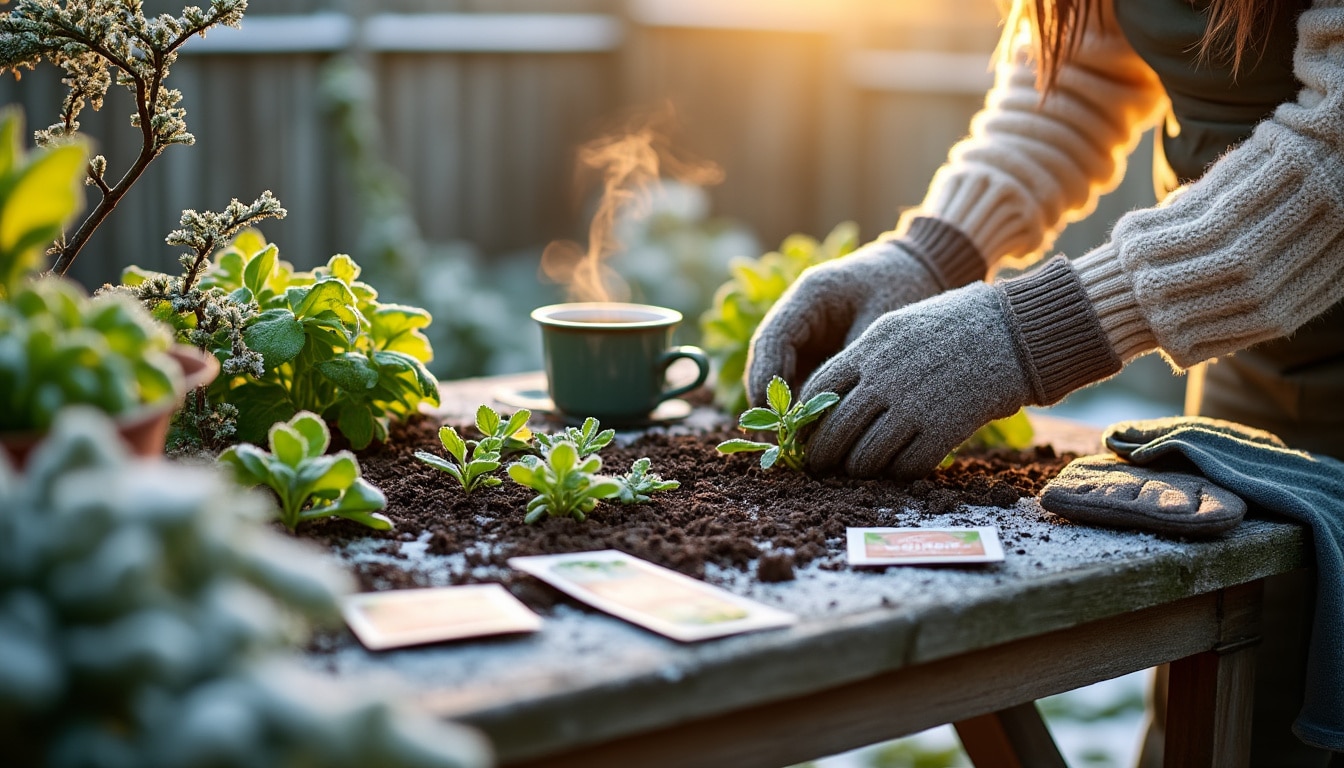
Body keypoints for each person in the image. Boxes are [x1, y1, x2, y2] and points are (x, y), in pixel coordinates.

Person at [746, 0, 1344, 764]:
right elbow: (1080, 75)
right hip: (1253, 369)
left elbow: (1335, 157)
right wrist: (931, 253)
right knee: (1225, 721)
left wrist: (1027, 333)